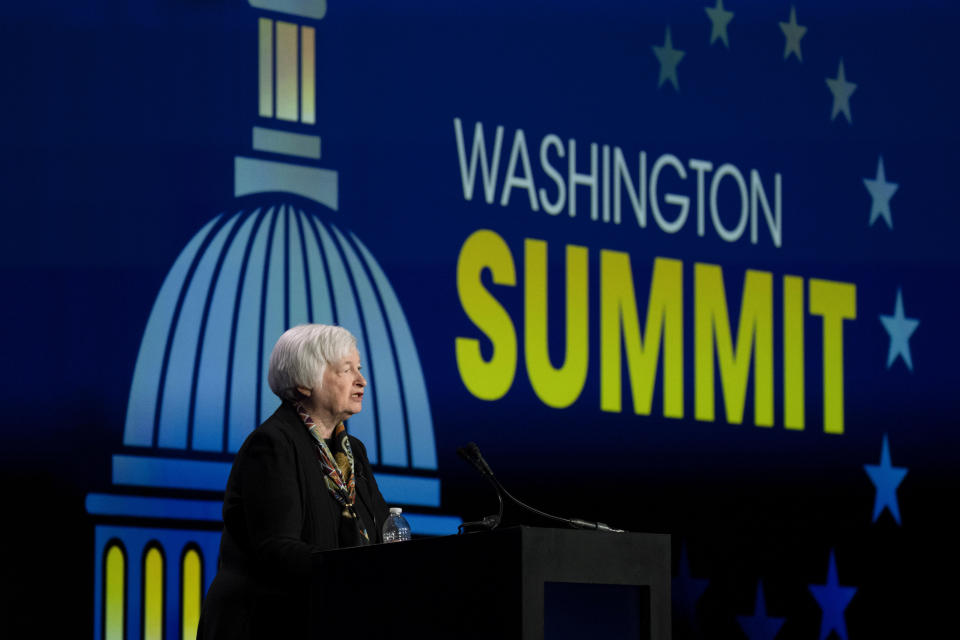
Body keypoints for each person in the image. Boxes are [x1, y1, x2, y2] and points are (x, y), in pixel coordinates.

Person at [198, 324, 390, 639]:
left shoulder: (352, 452)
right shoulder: (273, 444)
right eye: (346, 370)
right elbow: (276, 549)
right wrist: (354, 574)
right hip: (266, 623)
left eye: (359, 368)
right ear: (303, 383)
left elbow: (382, 531)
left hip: (329, 616)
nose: (361, 380)